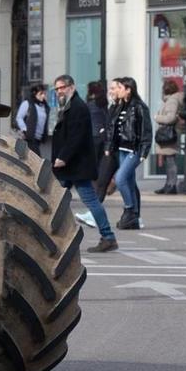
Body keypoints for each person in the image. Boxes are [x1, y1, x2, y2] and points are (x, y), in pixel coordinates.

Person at [49, 74, 117, 253]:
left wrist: (62, 157)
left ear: (71, 87)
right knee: (55, 199)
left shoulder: (78, 107)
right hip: (71, 166)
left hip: (75, 165)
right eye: (56, 89)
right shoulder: (69, 105)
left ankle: (108, 236)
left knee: (89, 201)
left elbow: (76, 137)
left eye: (62, 87)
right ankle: (55, 237)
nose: (59, 92)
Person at [107, 76, 151, 229]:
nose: (116, 91)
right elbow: (113, 127)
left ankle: (129, 209)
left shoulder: (139, 107)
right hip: (121, 150)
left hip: (135, 150)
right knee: (130, 182)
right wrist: (109, 146)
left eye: (119, 88)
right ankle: (134, 217)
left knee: (120, 179)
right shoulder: (120, 106)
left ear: (128, 90)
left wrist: (145, 152)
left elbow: (146, 130)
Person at [153, 77, 184, 193]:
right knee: (169, 161)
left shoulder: (172, 100)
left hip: (169, 134)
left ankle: (171, 185)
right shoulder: (171, 99)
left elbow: (170, 117)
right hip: (169, 134)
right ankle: (168, 184)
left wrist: (157, 117)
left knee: (171, 161)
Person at [13, 82, 50, 157]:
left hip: (39, 139)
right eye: (41, 94)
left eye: (44, 93)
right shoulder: (27, 103)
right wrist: (25, 129)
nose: (43, 96)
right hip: (29, 138)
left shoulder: (44, 106)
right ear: (34, 94)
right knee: (36, 158)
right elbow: (19, 117)